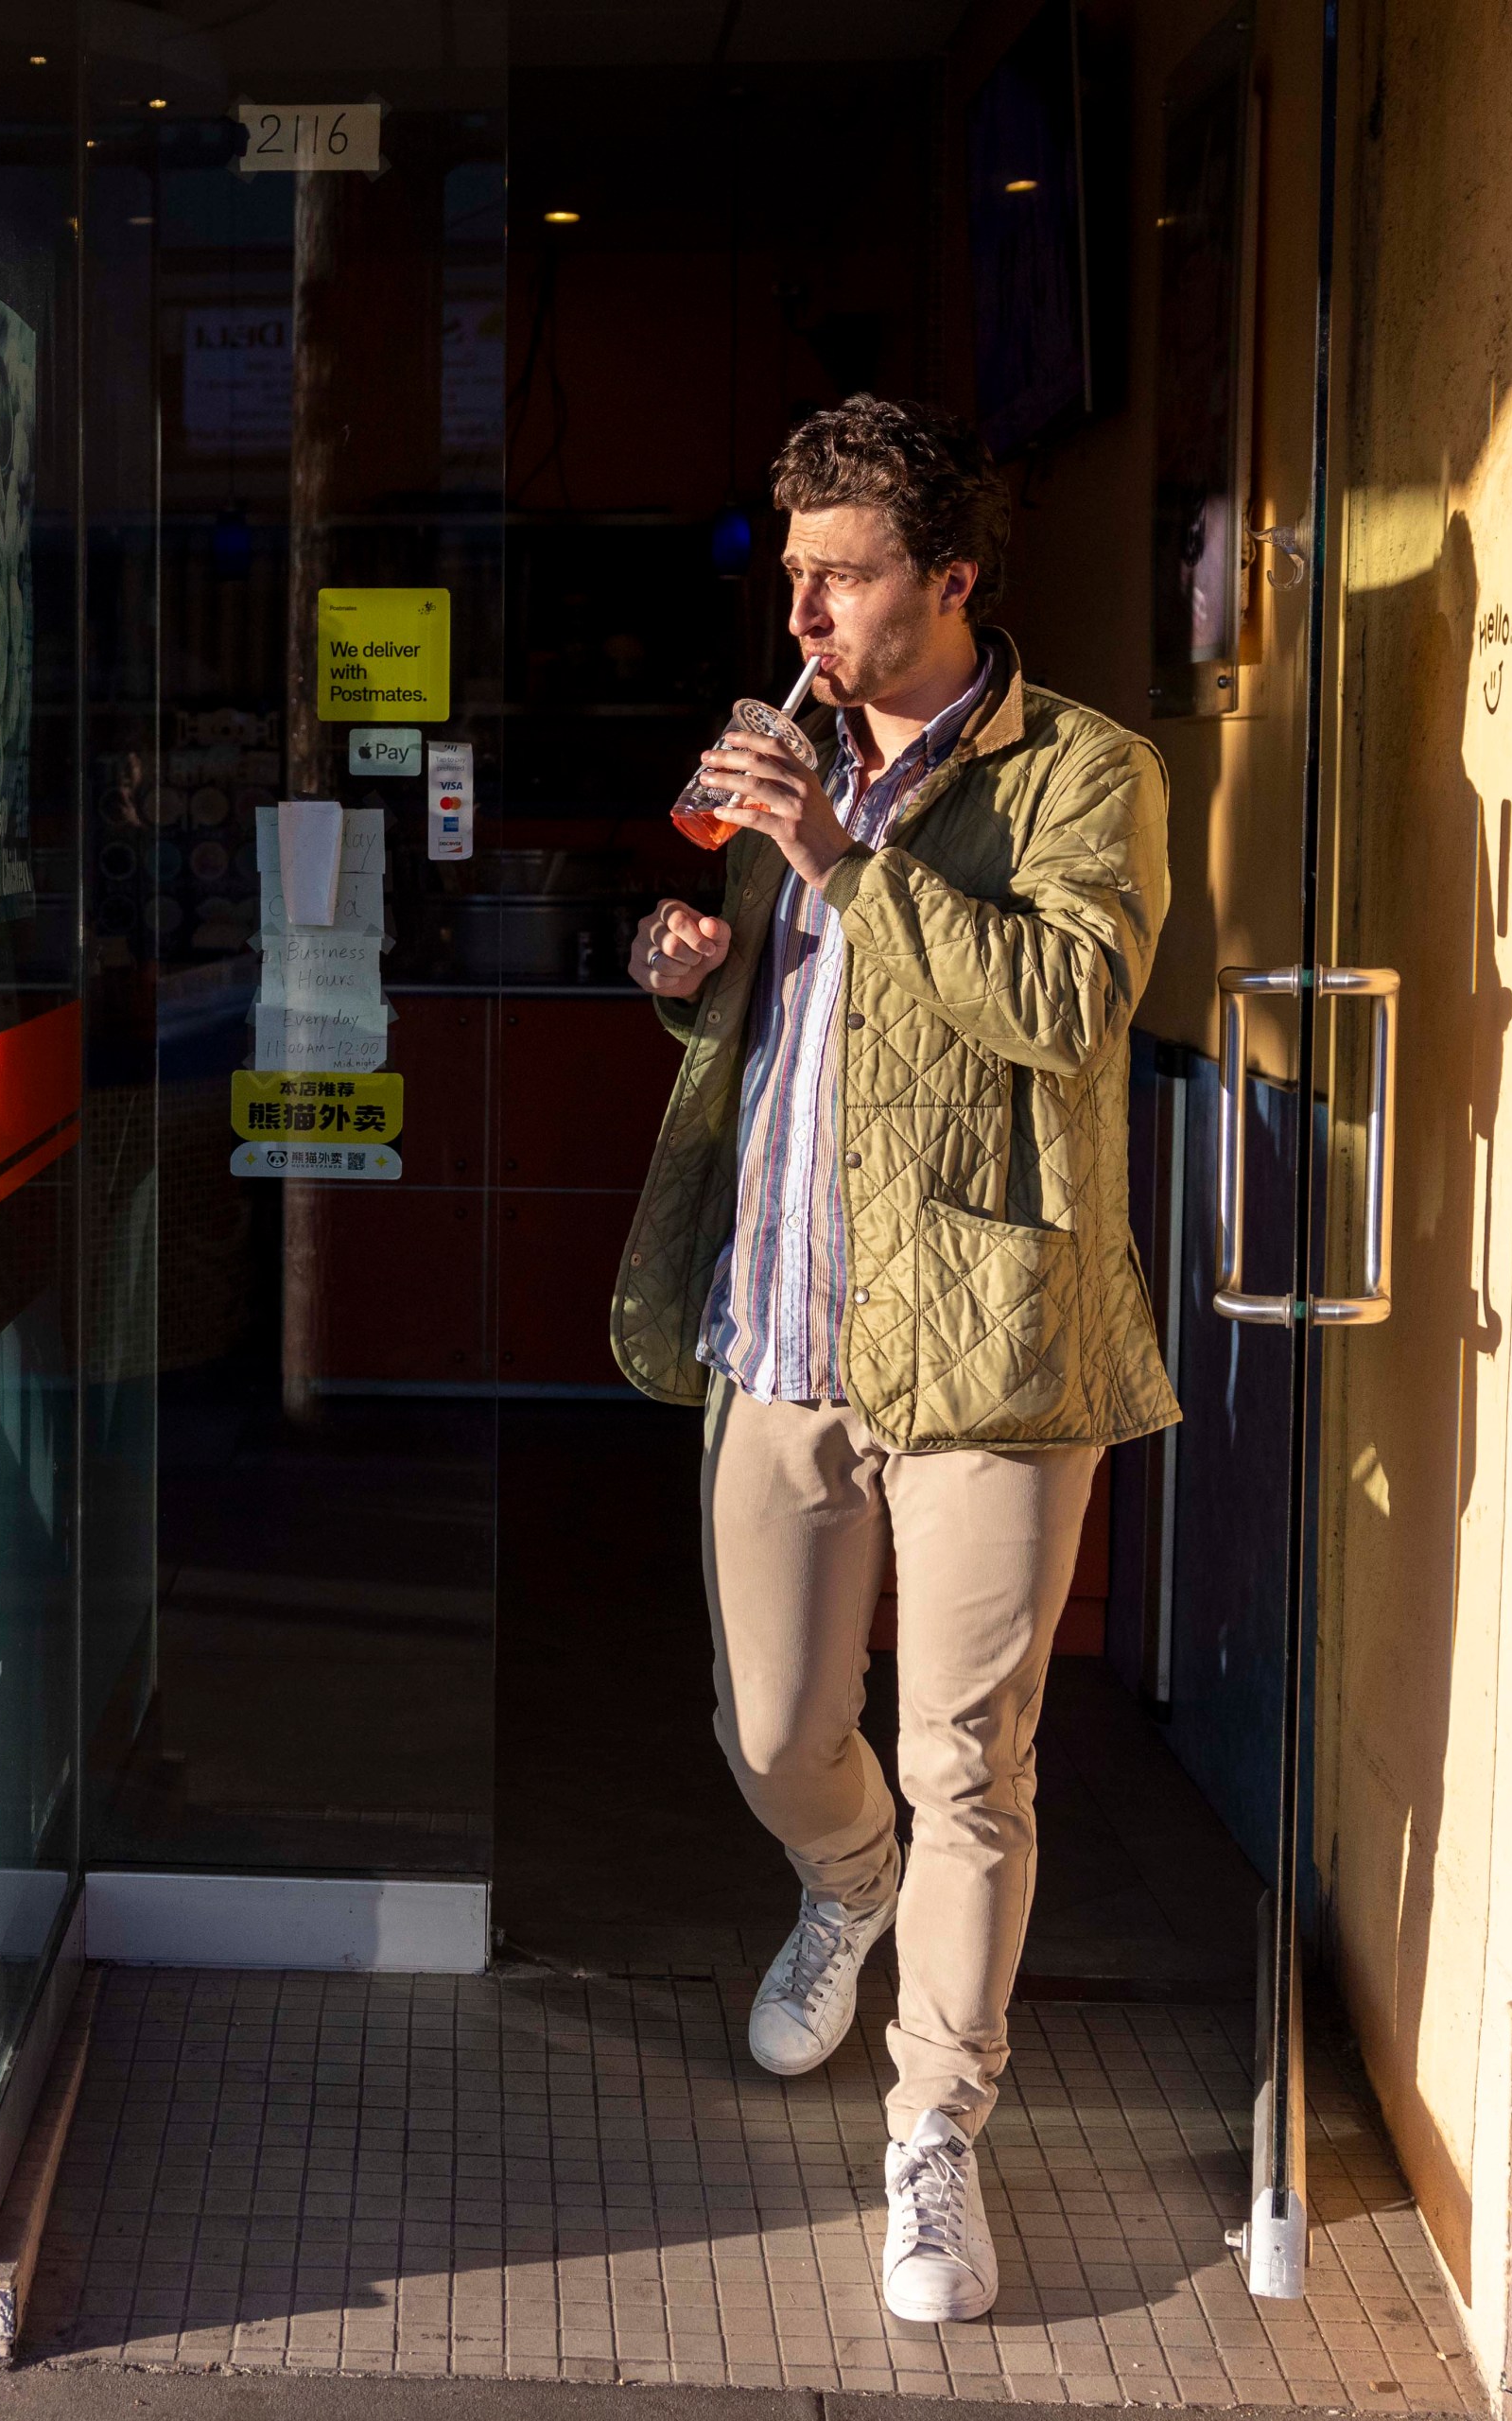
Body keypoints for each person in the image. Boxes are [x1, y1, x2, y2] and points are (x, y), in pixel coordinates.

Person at [612, 396, 1178, 2326]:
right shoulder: (794, 765)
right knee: (771, 1726)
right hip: (782, 1327)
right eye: (795, 575)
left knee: (972, 1761)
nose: (810, 609)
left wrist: (846, 857)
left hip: (991, 1345)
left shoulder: (1085, 770)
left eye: (843, 575)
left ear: (949, 580)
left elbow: (1068, 1003)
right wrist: (696, 976)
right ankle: (841, 1880)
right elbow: (795, 1046)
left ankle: (935, 2130)